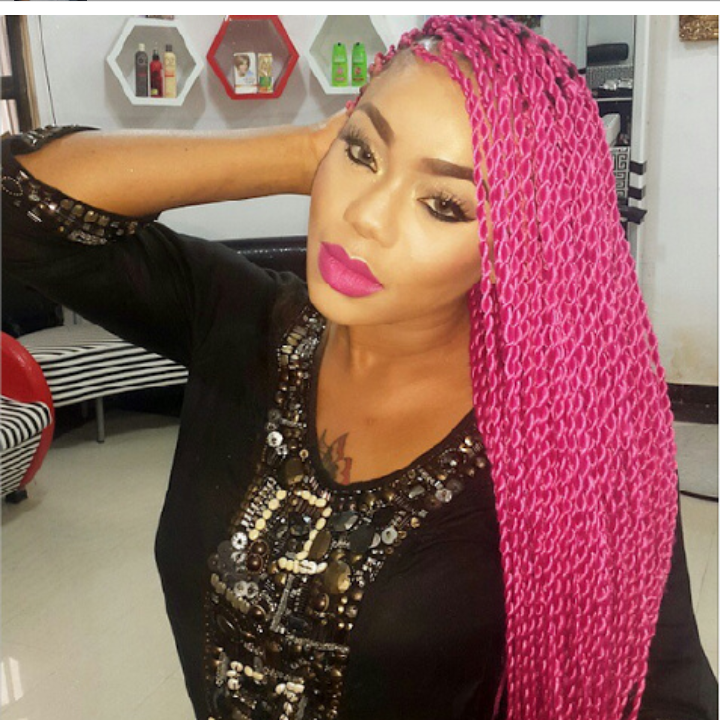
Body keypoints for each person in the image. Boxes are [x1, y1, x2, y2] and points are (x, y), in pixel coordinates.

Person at [2, 15, 717, 720]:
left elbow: (664, 697)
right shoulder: (241, 318)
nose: (366, 215)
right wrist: (300, 151)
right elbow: (18, 212)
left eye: (444, 204)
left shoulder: (574, 443)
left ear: (516, 245)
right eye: (362, 153)